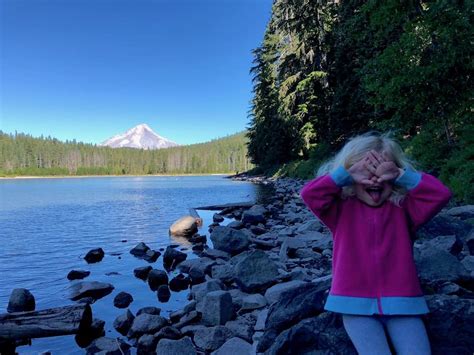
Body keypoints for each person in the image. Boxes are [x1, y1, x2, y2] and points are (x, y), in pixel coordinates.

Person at [299, 132, 452, 355]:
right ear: (351, 177)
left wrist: (400, 175)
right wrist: (346, 175)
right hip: (353, 304)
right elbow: (309, 194)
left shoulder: (404, 209)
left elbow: (441, 194)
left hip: (404, 303)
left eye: (382, 173)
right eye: (365, 173)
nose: (374, 180)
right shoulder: (340, 211)